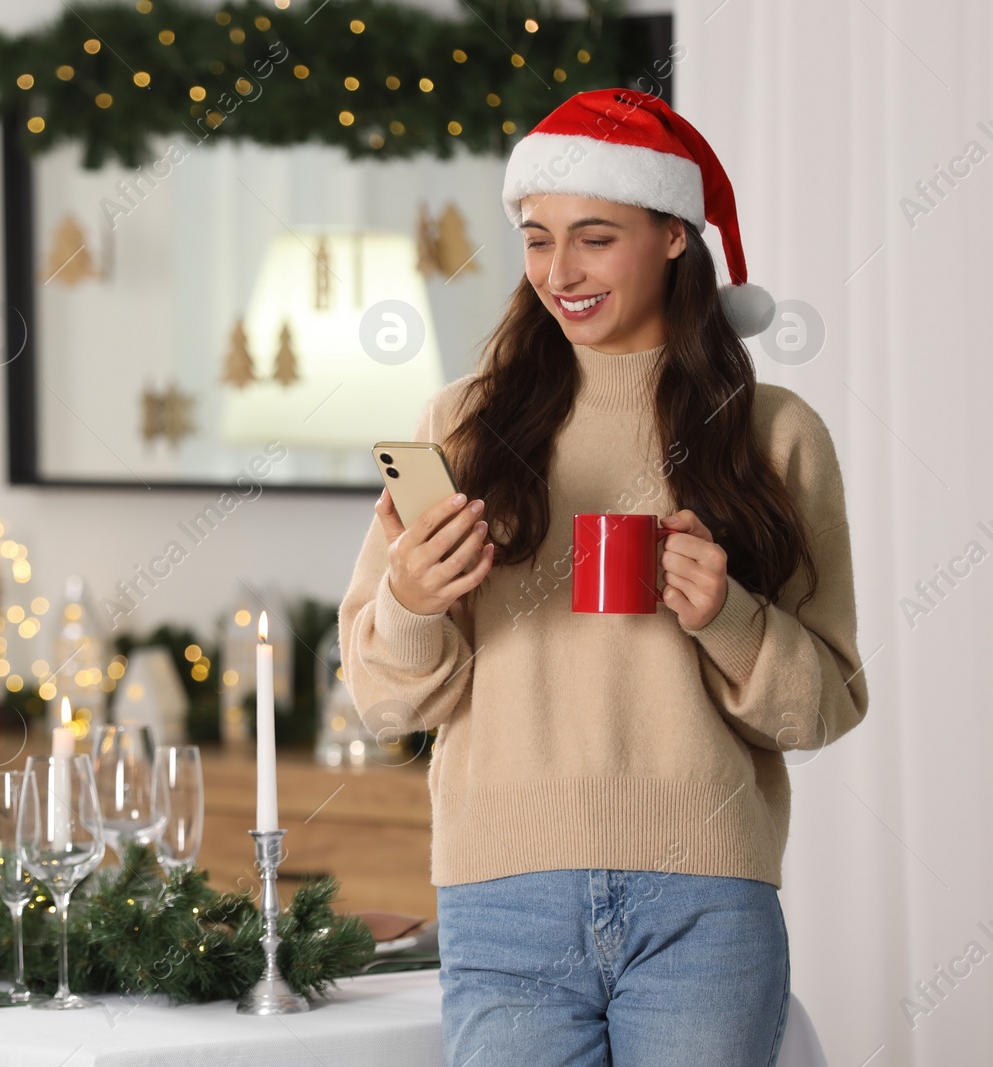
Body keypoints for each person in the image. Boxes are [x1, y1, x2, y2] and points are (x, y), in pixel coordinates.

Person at [337, 89, 868, 1066]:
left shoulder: (774, 435)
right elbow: (379, 700)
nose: (558, 272)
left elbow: (822, 708)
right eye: (536, 240)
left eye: (593, 237)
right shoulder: (457, 423)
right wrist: (411, 600)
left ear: (672, 234)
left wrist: (728, 616)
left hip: (704, 896)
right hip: (502, 894)